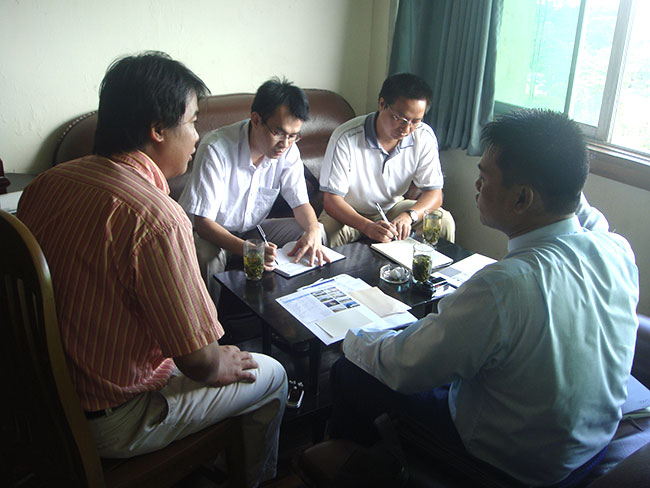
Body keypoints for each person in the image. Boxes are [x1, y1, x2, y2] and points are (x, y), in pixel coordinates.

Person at [18, 51, 287, 488]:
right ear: (157, 129)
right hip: (109, 418)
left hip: (41, 390)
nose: (197, 136)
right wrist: (216, 360)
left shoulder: (47, 183)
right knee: (271, 374)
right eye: (193, 122)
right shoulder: (156, 218)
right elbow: (199, 362)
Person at [328, 109, 639, 486]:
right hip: (590, 447)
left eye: (484, 177)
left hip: (513, 464)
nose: (476, 186)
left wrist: (352, 340)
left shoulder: (503, 286)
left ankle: (352, 472)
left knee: (350, 371)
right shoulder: (617, 250)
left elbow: (404, 367)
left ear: (522, 198)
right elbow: (582, 208)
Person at [179, 77, 328, 300]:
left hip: (253, 230)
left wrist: (313, 230)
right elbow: (203, 224)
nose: (285, 144)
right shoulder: (216, 148)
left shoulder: (288, 151)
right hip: (211, 234)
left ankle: (294, 306)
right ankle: (210, 321)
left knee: (316, 232)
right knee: (208, 256)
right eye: (279, 133)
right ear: (256, 120)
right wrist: (249, 250)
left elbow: (300, 204)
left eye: (293, 136)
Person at [318, 72, 455, 248]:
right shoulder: (346, 137)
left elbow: (434, 194)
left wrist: (409, 216)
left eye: (415, 121)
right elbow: (331, 201)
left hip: (392, 210)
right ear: (382, 104)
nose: (406, 129)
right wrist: (367, 226)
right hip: (349, 212)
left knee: (443, 221)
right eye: (400, 119)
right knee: (323, 236)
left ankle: (439, 266)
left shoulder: (424, 136)